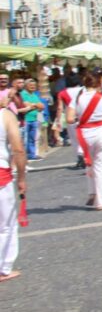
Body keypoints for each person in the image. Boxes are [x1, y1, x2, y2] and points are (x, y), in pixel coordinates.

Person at [66, 69, 102, 211]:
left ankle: (92, 192)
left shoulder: (78, 98)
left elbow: (69, 119)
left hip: (85, 134)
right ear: (98, 82)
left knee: (90, 164)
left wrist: (82, 118)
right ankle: (101, 201)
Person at [0, 96, 26, 283]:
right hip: (1, 175)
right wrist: (22, 178)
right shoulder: (6, 116)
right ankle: (3, 267)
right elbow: (18, 149)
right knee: (6, 224)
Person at [55, 73, 86, 169]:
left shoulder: (62, 93)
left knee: (74, 139)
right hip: (84, 116)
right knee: (84, 138)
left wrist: (58, 121)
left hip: (71, 118)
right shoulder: (83, 90)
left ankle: (80, 156)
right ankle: (85, 155)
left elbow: (60, 108)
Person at [18, 79, 46, 162]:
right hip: (26, 119)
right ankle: (24, 156)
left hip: (35, 119)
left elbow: (41, 106)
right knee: (25, 139)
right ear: (26, 86)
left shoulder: (34, 94)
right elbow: (26, 105)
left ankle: (32, 154)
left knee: (33, 138)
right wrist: (35, 105)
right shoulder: (23, 94)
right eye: (31, 85)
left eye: (34, 85)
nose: (33, 87)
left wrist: (34, 106)